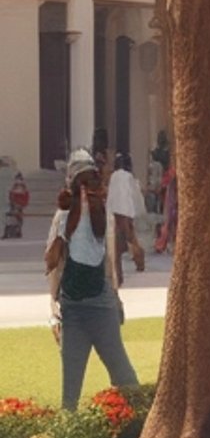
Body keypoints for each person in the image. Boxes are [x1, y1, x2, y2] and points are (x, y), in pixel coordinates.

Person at [45, 152, 140, 410]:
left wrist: (116, 298)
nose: (87, 190)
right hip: (73, 309)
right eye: (82, 183)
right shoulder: (63, 217)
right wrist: (53, 311)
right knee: (70, 391)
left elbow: (109, 264)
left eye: (91, 183)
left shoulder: (104, 217)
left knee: (124, 376)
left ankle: (137, 428)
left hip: (101, 305)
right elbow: (53, 266)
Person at [104, 153, 147, 283]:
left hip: (116, 213)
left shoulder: (113, 176)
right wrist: (139, 209)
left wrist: (108, 210)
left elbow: (111, 196)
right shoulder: (129, 177)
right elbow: (135, 194)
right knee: (131, 238)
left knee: (117, 244)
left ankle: (119, 273)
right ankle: (139, 260)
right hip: (127, 211)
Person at [6, 169, 28, 240]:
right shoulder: (18, 186)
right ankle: (15, 231)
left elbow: (14, 194)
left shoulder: (19, 187)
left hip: (17, 203)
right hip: (16, 203)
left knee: (17, 218)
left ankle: (16, 231)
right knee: (16, 218)